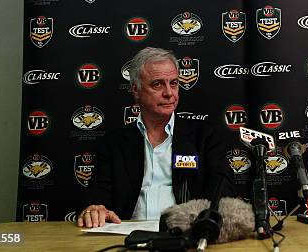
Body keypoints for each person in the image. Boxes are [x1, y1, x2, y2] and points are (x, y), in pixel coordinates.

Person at [77, 47, 234, 227]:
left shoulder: (206, 137)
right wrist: (95, 208)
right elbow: (98, 193)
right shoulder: (113, 143)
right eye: (158, 84)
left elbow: (222, 193)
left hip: (185, 235)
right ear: (136, 90)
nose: (169, 93)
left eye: (174, 83)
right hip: (125, 236)